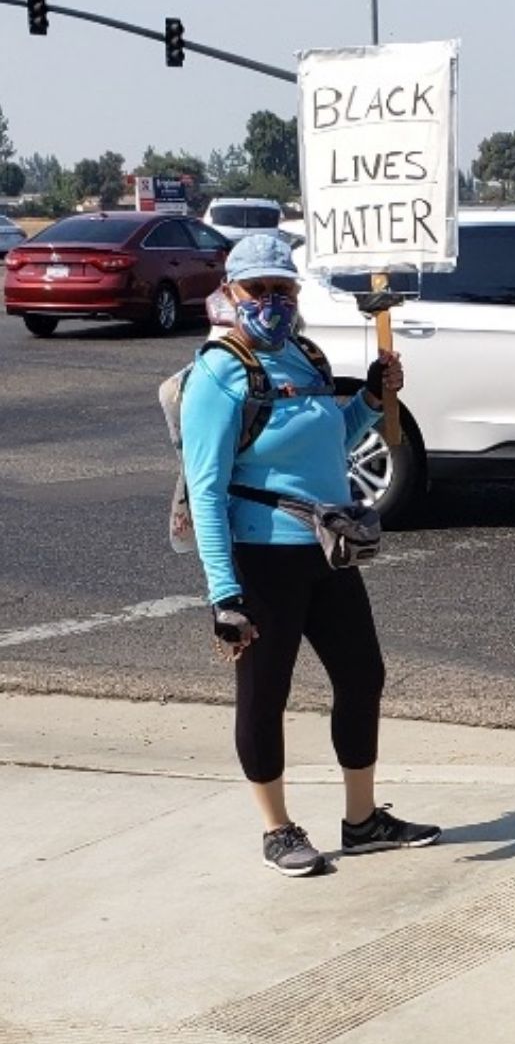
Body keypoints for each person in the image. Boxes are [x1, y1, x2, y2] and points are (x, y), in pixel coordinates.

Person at [181, 233, 441, 877]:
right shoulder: (218, 373)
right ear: (231, 293)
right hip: (261, 555)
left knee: (362, 677)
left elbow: (334, 440)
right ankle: (276, 828)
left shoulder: (304, 356)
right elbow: (206, 491)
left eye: (283, 289)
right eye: (258, 290)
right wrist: (225, 593)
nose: (272, 302)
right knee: (264, 693)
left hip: (327, 552)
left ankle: (362, 821)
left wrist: (372, 400)